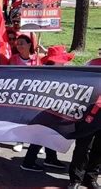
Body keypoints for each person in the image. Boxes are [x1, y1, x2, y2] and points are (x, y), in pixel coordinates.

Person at [20, 45, 74, 172]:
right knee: (42, 135)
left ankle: (50, 158)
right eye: (62, 60)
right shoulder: (45, 73)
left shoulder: (55, 71)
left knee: (50, 133)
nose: (65, 63)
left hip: (52, 109)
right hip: (43, 110)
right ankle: (28, 161)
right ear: (54, 60)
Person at [68, 56, 101, 189]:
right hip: (89, 112)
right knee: (83, 146)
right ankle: (75, 179)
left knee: (99, 148)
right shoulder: (93, 63)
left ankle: (91, 178)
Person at [9, 34, 40, 153]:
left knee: (32, 119)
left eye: (22, 43)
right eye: (18, 43)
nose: (19, 45)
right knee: (20, 118)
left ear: (29, 44)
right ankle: (19, 141)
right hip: (19, 94)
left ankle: (35, 143)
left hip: (33, 94)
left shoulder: (37, 58)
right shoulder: (13, 59)